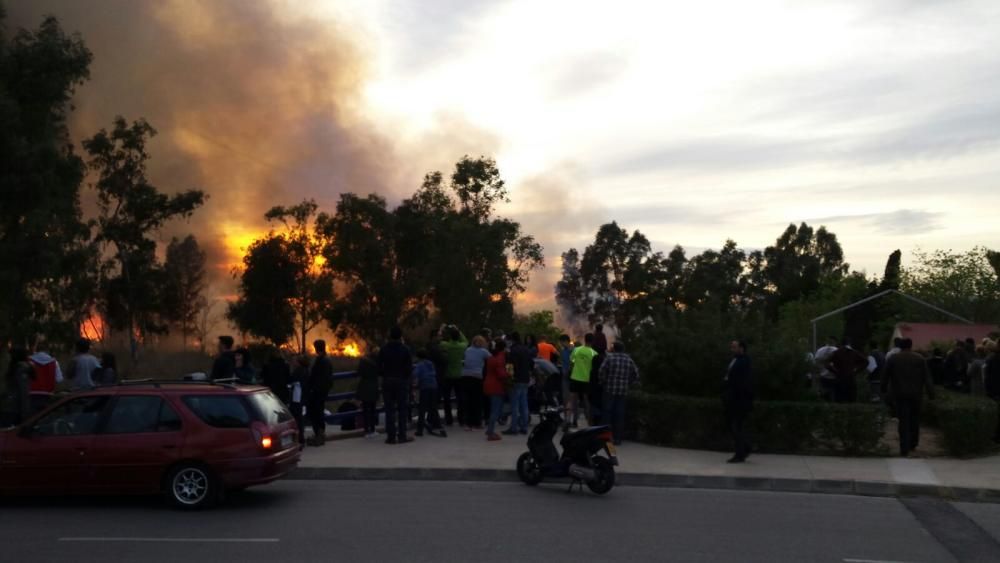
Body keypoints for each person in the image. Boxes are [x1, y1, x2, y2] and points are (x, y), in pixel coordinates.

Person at [881, 338, 935, 457]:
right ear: (911, 345)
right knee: (914, 419)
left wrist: (883, 390)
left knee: (903, 421)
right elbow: (927, 378)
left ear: (900, 346)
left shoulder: (893, 359)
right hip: (916, 394)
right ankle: (913, 443)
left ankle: (903, 447)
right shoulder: (920, 359)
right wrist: (931, 394)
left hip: (899, 394)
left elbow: (885, 376)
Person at [598, 341, 640, 445]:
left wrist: (603, 382)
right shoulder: (628, 360)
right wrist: (628, 383)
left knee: (607, 413)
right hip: (622, 391)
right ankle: (618, 438)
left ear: (614, 349)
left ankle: (605, 437)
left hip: (609, 389)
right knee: (619, 414)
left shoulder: (609, 358)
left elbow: (601, 371)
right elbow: (636, 374)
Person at [378, 326, 413, 444]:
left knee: (389, 410)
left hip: (387, 381)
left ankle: (391, 437)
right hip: (401, 382)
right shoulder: (405, 349)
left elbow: (379, 367)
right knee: (402, 409)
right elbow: (409, 368)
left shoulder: (384, 349)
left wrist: (385, 375)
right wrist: (404, 377)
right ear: (400, 336)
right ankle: (402, 435)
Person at [723, 340, 753, 463]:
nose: (732, 349)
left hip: (740, 399)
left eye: (734, 347)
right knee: (735, 426)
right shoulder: (735, 360)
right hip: (733, 397)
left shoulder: (744, 361)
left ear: (741, 348)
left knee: (736, 426)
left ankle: (740, 453)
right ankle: (745, 448)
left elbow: (742, 381)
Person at [565, 333, 598, 430]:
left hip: (575, 378)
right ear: (592, 341)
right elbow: (593, 368)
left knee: (571, 400)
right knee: (587, 401)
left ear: (585, 340)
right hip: (586, 380)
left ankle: (567, 420)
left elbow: (572, 361)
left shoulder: (577, 350)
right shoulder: (594, 353)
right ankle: (589, 424)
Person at [504, 332, 534, 435]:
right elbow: (532, 363)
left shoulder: (513, 350)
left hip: (516, 380)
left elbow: (511, 366)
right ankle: (524, 427)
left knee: (515, 405)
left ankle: (514, 428)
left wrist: (509, 379)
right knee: (524, 404)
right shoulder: (526, 349)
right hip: (525, 379)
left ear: (511, 339)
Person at [305, 340, 334, 447]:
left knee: (315, 413)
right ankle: (319, 434)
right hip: (322, 391)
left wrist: (313, 388)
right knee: (318, 412)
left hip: (318, 391)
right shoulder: (326, 360)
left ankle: (318, 434)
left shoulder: (321, 361)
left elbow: (317, 377)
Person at [438, 325, 468, 426]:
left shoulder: (445, 345)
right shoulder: (461, 346)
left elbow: (438, 341)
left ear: (450, 337)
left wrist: (441, 329)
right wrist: (458, 329)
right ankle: (461, 419)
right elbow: (466, 341)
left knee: (446, 399)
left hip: (447, 375)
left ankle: (449, 419)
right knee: (460, 398)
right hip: (459, 374)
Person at [461, 335, 491, 430]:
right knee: (477, 400)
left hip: (465, 376)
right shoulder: (483, 351)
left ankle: (468, 423)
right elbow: (491, 359)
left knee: (468, 400)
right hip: (477, 376)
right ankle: (477, 422)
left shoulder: (468, 350)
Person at [413, 349, 444, 437]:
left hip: (425, 387)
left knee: (422, 409)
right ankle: (438, 426)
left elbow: (415, 374)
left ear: (418, 357)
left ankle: (420, 430)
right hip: (433, 385)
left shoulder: (419, 365)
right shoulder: (430, 363)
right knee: (433, 407)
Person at [826, 338, 867, 403]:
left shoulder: (836, 353)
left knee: (839, 400)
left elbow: (827, 364)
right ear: (849, 344)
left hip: (840, 377)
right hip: (851, 377)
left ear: (841, 344)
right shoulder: (854, 352)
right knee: (851, 399)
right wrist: (856, 371)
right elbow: (865, 361)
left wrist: (835, 371)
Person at [483, 340, 510, 441]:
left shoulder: (491, 357)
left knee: (493, 409)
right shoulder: (500, 358)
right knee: (496, 410)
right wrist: (509, 375)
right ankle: (490, 432)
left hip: (488, 383)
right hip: (496, 386)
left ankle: (490, 429)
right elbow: (501, 374)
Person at [3, 348, 33, 426]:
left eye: (10, 355)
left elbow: (24, 392)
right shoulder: (13, 368)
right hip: (10, 407)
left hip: (16, 409)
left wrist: (25, 413)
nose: (8, 357)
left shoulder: (21, 369)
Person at [355, 350, 380, 438]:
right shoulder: (378, 363)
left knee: (365, 409)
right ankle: (372, 429)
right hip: (373, 386)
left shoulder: (363, 361)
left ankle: (366, 430)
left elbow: (359, 372)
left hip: (364, 386)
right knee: (373, 409)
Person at [289, 355, 309, 447]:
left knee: (297, 418)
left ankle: (299, 439)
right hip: (301, 398)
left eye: (294, 361)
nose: (293, 362)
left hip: (297, 398)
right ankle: (301, 439)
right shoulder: (305, 370)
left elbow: (292, 381)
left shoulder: (298, 371)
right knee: (300, 418)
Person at [984, 340, 1000, 443]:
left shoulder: (992, 358)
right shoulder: (992, 358)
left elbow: (986, 376)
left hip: (994, 391)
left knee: (995, 414)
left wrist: (988, 390)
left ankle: (994, 436)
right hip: (995, 390)